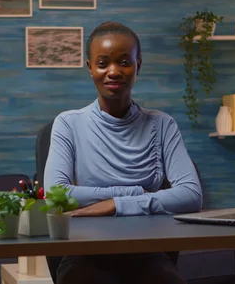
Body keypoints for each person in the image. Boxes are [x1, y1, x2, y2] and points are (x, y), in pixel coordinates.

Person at [43, 21, 203, 284]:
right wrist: (136, 193)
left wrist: (116, 205)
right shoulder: (68, 124)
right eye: (103, 63)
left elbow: (191, 195)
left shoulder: (162, 124)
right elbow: (56, 195)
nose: (113, 71)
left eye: (124, 62)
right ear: (90, 68)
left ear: (138, 66)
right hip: (85, 253)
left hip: (147, 252)